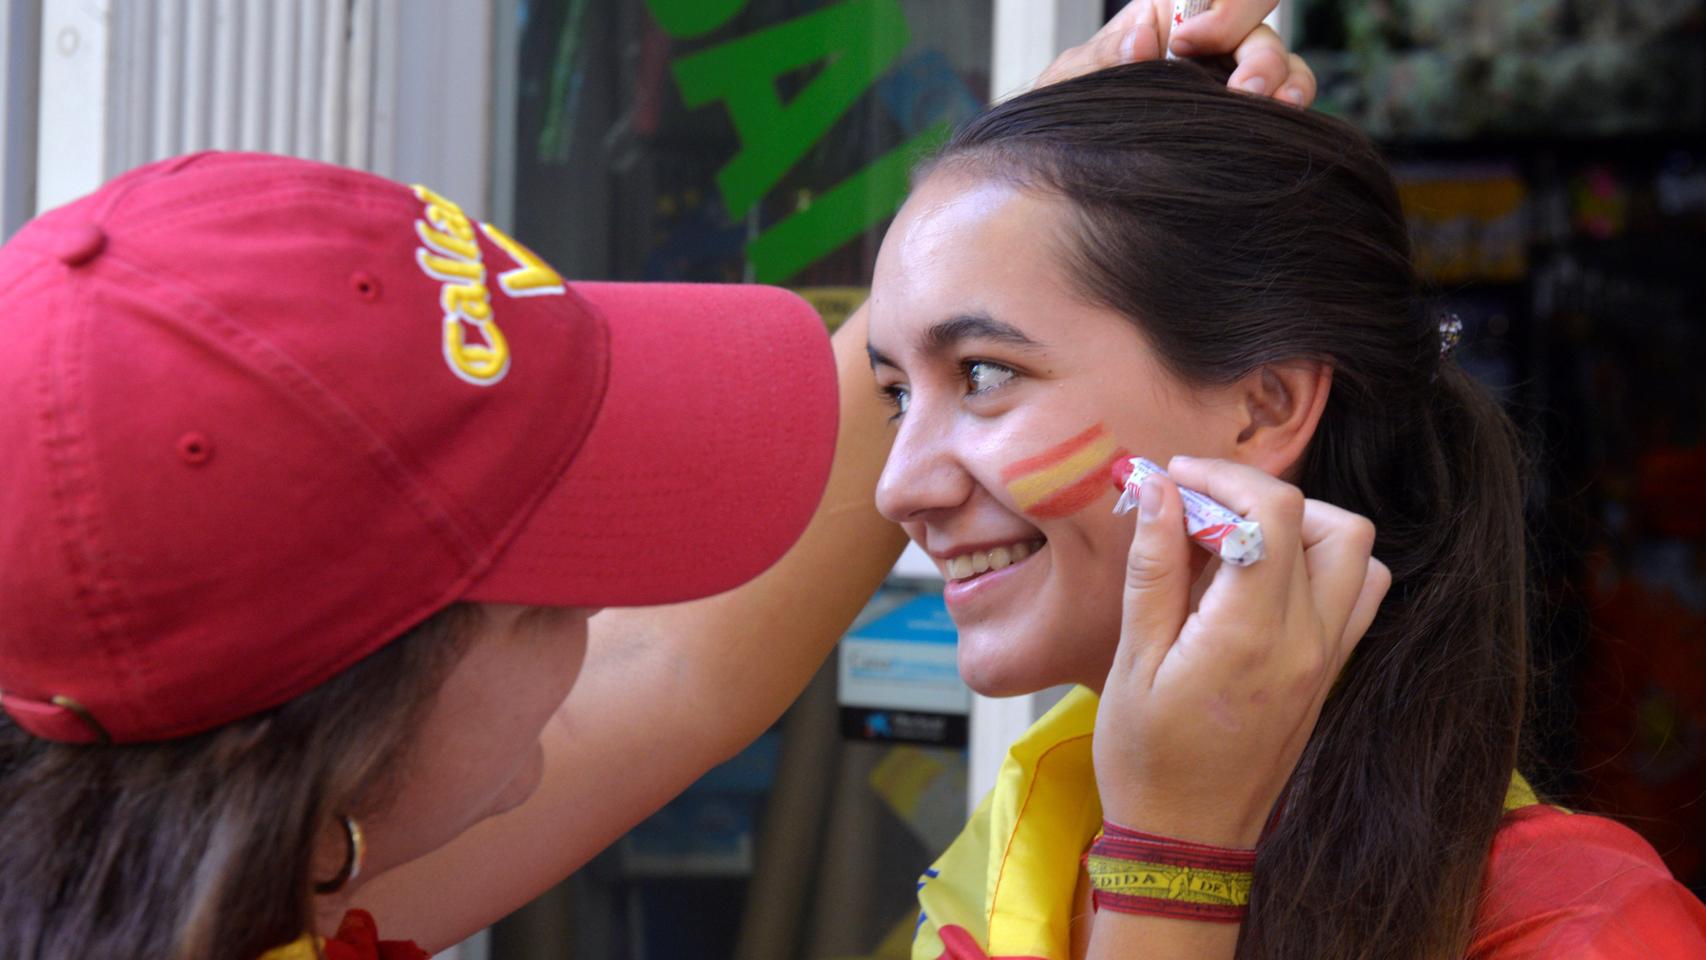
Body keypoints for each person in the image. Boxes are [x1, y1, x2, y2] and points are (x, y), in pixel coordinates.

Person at [0, 4, 1315, 957]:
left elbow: (677, 676)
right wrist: (1175, 870)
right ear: (367, 704)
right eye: (565, 580)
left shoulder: (183, 877)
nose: (909, 486)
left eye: (974, 380)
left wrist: (1003, 200)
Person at [864, 56, 1706, 960]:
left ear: (1265, 407)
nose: (898, 486)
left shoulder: (1577, 926)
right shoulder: (1017, 849)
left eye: (985, 375)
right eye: (895, 396)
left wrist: (1170, 865)